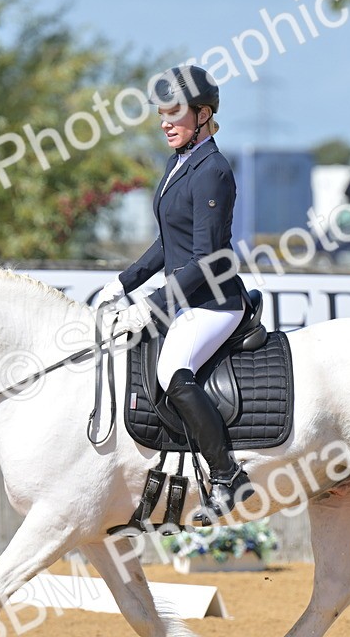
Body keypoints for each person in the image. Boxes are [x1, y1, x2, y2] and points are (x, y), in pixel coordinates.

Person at [94, 65, 253, 516]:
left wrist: (152, 306)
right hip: (185, 299)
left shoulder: (212, 170)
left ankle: (228, 475)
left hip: (214, 301)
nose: (165, 122)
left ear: (203, 115)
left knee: (172, 372)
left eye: (175, 113)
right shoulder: (178, 163)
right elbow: (169, 243)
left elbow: (207, 258)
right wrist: (123, 282)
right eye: (162, 113)